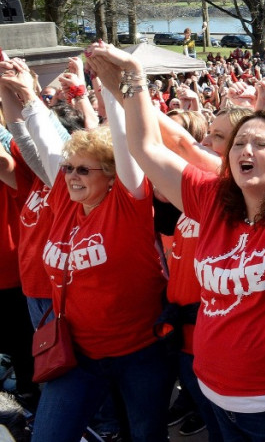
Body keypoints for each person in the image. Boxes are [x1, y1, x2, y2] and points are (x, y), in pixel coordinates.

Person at [84, 12, 265, 441]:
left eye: (260, 143)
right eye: (238, 143)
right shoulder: (212, 202)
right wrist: (134, 84)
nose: (245, 149)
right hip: (217, 400)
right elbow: (147, 149)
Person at [0, 57, 171, 442]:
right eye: (69, 168)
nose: (71, 176)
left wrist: (111, 89)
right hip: (77, 355)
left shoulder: (128, 205)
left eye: (83, 170)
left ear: (110, 176)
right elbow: (44, 139)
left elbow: (127, 148)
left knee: (147, 436)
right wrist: (26, 95)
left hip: (139, 355)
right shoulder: (63, 199)